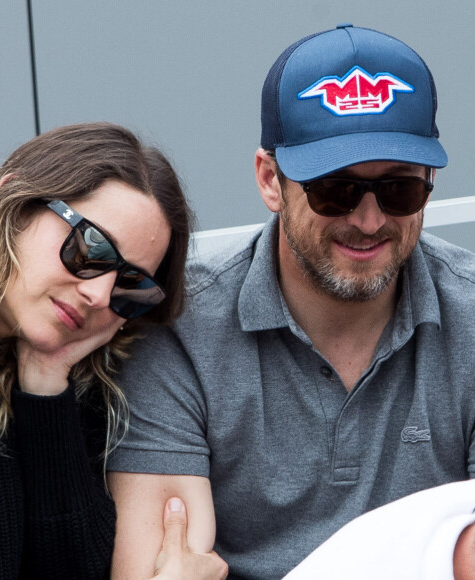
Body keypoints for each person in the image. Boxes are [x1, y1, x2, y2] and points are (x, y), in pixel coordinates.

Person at [107, 25, 475, 579]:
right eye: (335, 190)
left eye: (400, 188)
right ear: (269, 180)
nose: (369, 219)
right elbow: (160, 569)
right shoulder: (179, 325)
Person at [0, 122, 227, 579]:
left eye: (132, 284)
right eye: (91, 248)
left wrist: (46, 382)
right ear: (11, 204)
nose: (99, 295)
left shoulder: (83, 395)